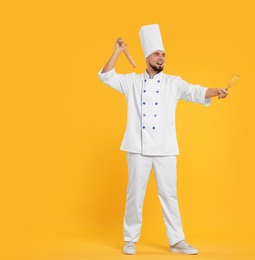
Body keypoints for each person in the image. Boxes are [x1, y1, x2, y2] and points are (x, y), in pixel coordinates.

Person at [98, 24, 228, 255]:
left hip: (166, 147)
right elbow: (107, 76)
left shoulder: (173, 82)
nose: (161, 58)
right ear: (147, 56)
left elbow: (196, 91)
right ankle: (130, 239)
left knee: (169, 194)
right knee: (135, 194)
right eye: (157, 54)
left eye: (163, 54)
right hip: (137, 146)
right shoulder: (132, 82)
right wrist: (117, 52)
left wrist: (215, 91)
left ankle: (177, 241)